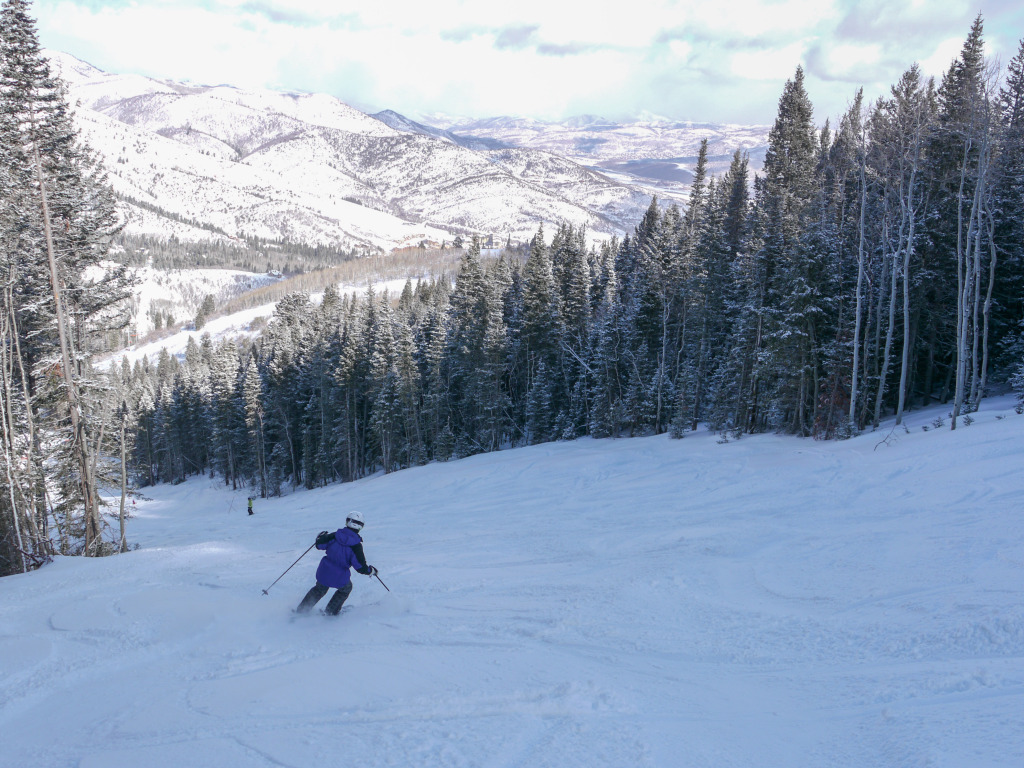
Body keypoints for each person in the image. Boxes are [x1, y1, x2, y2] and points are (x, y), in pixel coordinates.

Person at [295, 511, 377, 616]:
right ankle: (330, 611)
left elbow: (319, 545)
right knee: (346, 589)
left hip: (324, 572)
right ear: (360, 527)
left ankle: (301, 610)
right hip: (340, 576)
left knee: (320, 589)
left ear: (347, 522)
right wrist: (370, 571)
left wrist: (321, 537)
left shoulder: (335, 536)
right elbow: (360, 567)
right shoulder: (356, 546)